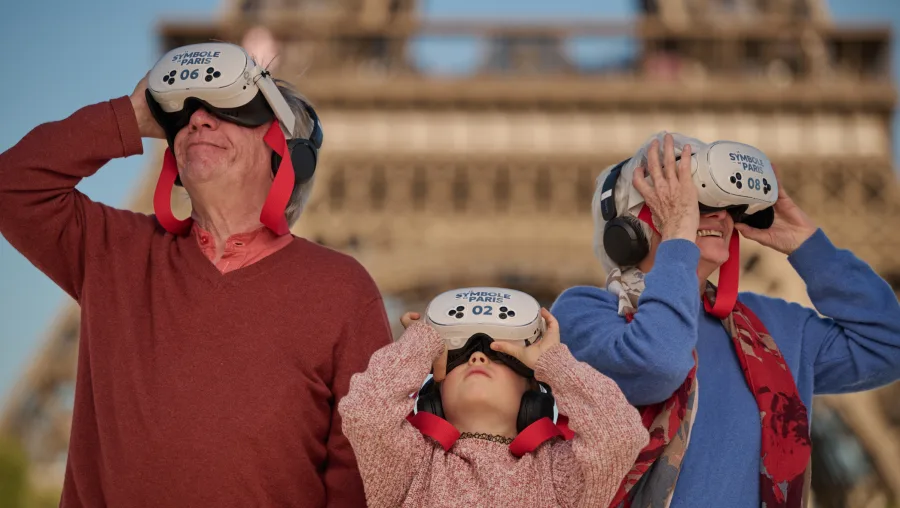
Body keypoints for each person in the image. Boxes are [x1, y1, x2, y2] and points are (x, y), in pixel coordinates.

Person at [0, 42, 392, 507]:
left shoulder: (342, 290)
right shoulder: (113, 251)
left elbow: (362, 471)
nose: (199, 119)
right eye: (185, 114)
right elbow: (13, 185)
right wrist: (129, 116)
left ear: (286, 153)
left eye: (234, 107)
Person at [551, 132, 900, 508]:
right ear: (630, 229)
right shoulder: (584, 314)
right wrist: (678, 240)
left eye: (726, 206)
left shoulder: (773, 327)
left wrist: (809, 246)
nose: (719, 215)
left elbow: (887, 346)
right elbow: (658, 364)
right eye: (694, 201)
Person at [337, 287, 648, 508]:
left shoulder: (557, 474)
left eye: (500, 355)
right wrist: (422, 342)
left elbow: (619, 434)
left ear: (532, 389)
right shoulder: (412, 465)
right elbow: (366, 411)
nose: (478, 359)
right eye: (461, 356)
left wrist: (553, 362)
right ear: (435, 393)